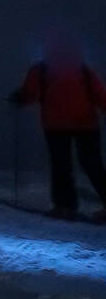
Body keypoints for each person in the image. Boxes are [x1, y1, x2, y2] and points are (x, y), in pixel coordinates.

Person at [9, 33, 106, 221]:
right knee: (92, 164)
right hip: (85, 123)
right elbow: (100, 95)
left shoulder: (41, 70)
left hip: (56, 125)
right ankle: (69, 205)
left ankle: (65, 206)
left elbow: (30, 93)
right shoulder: (82, 70)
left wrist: (19, 98)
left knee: (62, 165)